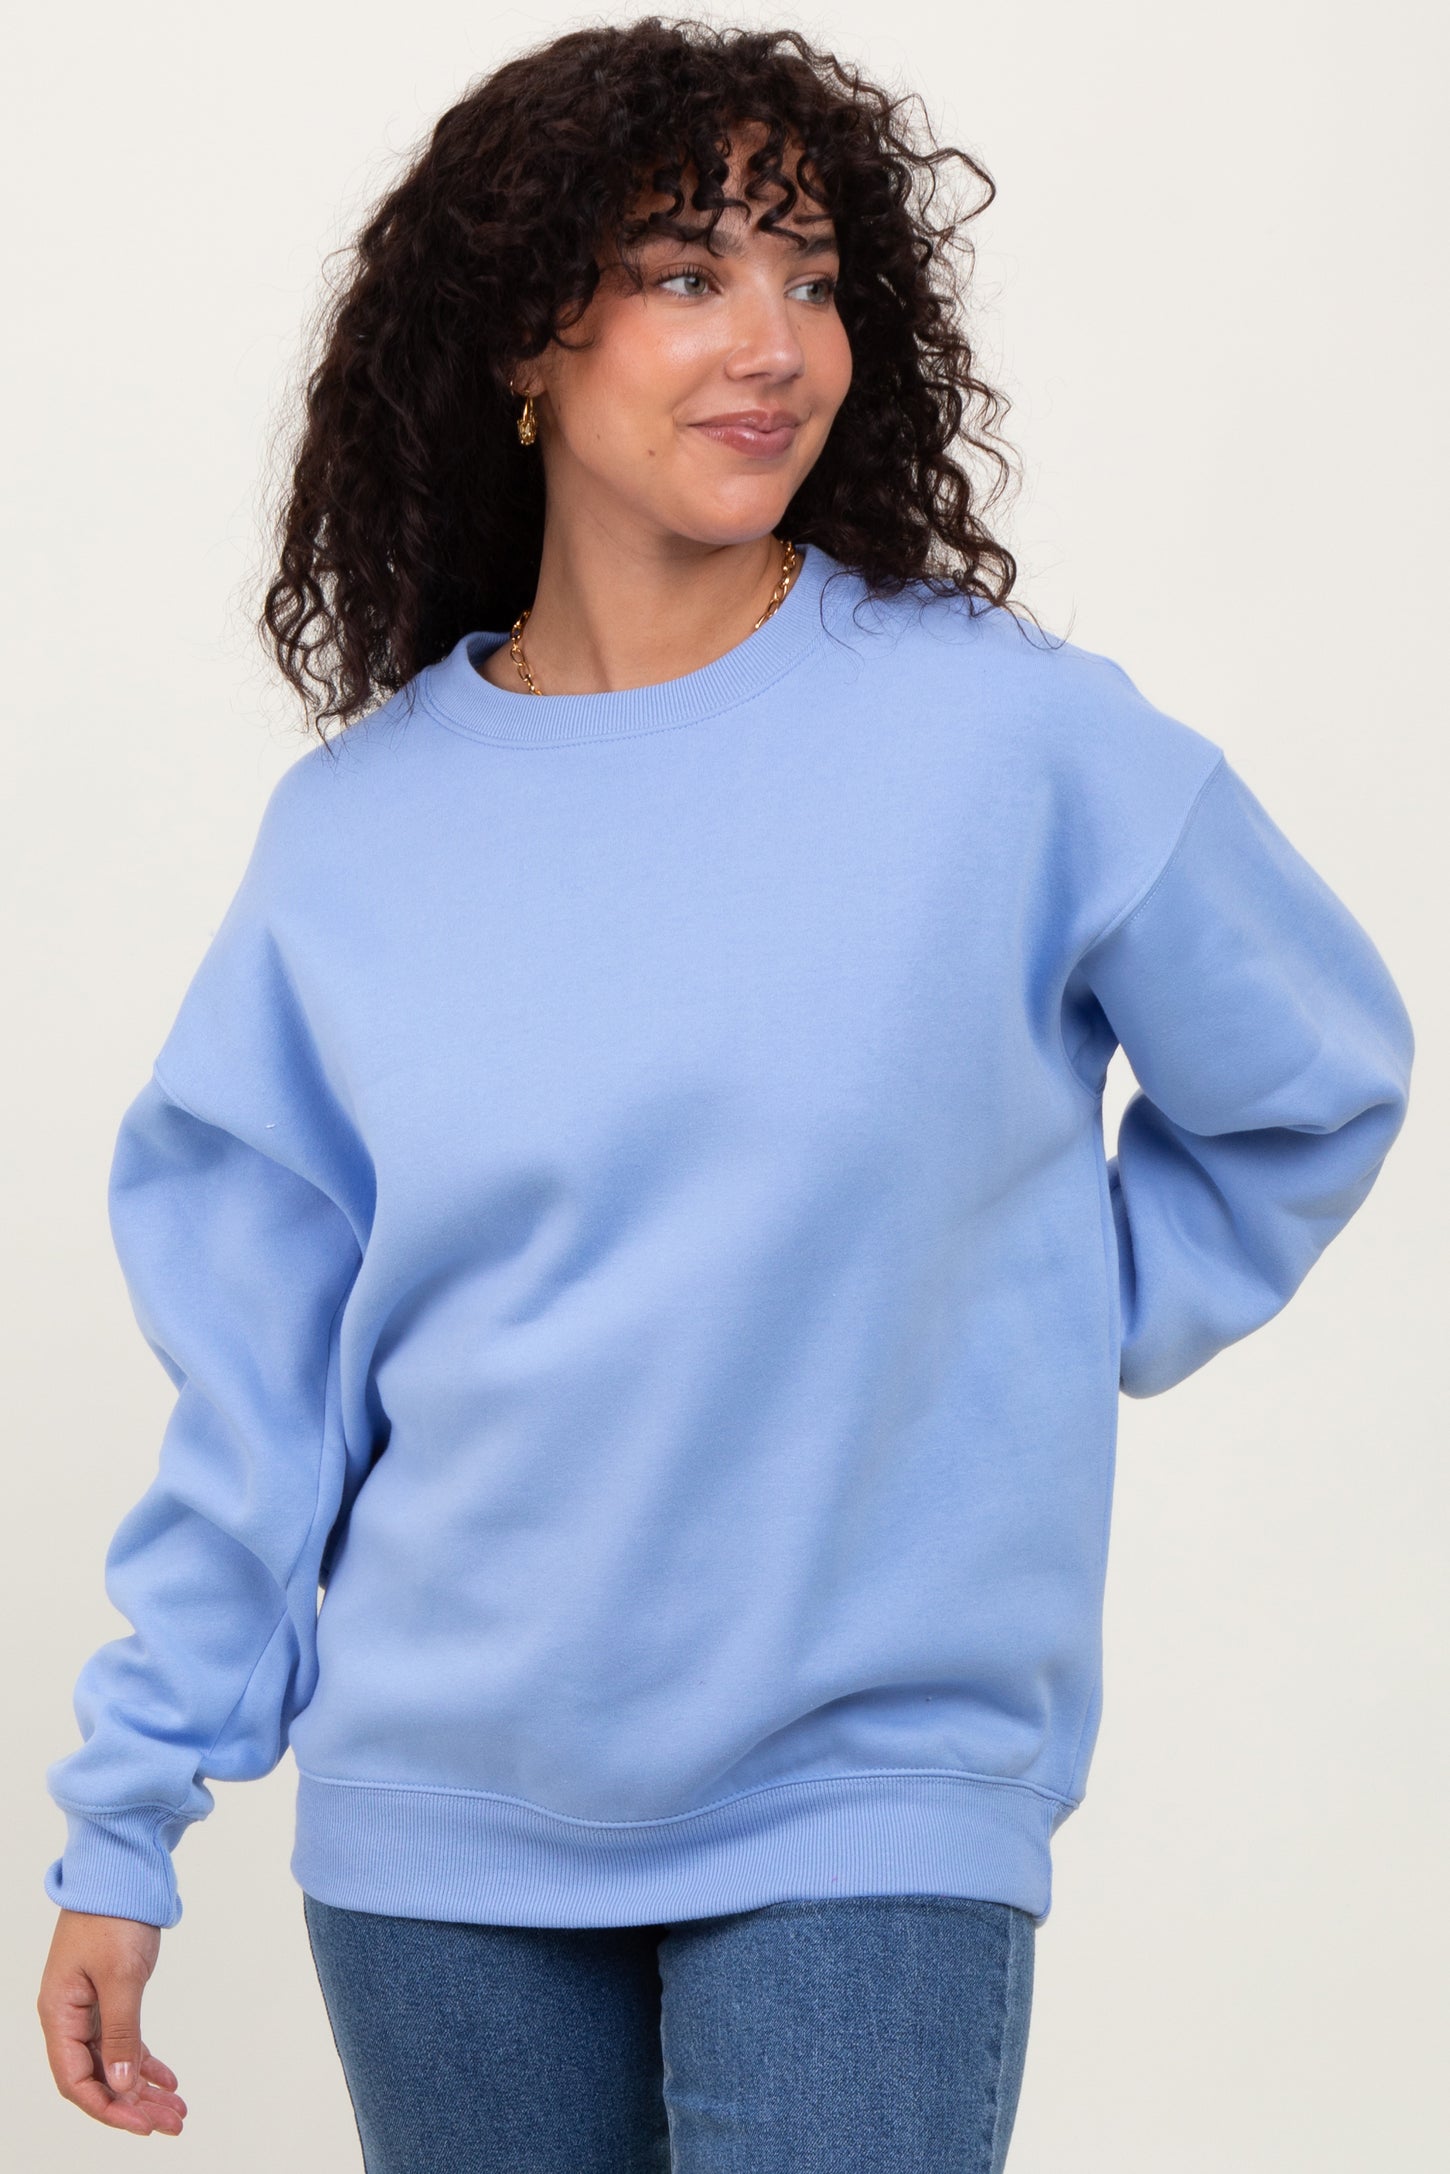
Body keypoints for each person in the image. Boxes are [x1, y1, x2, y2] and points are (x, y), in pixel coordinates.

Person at [35, 18, 1414, 2171]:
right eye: (687, 272)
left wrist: (1014, 1322)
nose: (774, 342)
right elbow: (264, 1386)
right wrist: (126, 1819)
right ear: (524, 340)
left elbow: (1308, 1081)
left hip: (865, 1793)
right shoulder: (358, 838)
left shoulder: (1005, 740)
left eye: (812, 277)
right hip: (437, 1833)